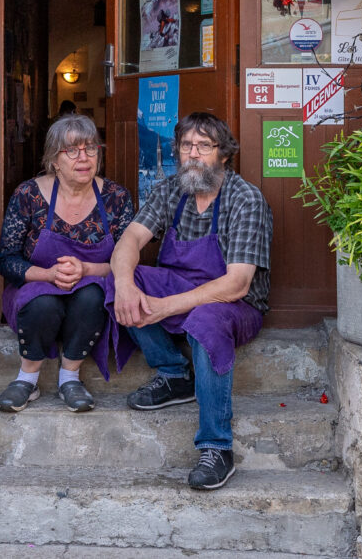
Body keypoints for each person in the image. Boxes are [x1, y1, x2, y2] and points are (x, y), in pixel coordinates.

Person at [111, 112, 271, 490]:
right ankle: (173, 374)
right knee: (116, 281)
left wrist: (165, 307)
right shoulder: (171, 190)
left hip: (235, 306)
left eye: (204, 146)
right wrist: (123, 284)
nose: (194, 154)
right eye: (186, 145)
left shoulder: (244, 198)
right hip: (184, 289)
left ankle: (218, 447)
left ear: (224, 154)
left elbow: (237, 284)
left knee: (205, 319)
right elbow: (129, 242)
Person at [0, 114, 135, 412]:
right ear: (54, 159)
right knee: (43, 302)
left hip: (91, 287)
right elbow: (6, 259)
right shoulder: (28, 195)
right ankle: (26, 379)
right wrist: (47, 274)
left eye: (91, 148)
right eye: (72, 150)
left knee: (93, 295)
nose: (83, 158)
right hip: (38, 286)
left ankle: (70, 377)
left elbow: (127, 259)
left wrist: (86, 270)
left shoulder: (116, 198)